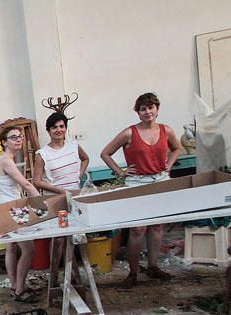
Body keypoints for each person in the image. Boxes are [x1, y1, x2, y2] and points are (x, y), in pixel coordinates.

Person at [100, 92, 182, 288]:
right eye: (143, 109)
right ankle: (133, 272)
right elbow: (105, 153)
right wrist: (120, 172)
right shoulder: (129, 133)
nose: (148, 112)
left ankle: (153, 266)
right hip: (137, 182)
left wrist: (169, 164)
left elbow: (177, 148)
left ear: (157, 109)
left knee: (157, 226)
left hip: (160, 180)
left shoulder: (166, 130)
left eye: (151, 107)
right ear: (138, 112)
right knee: (137, 229)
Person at [33, 112, 90, 285]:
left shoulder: (74, 146)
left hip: (75, 198)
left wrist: (79, 174)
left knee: (73, 237)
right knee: (58, 239)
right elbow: (36, 181)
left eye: (61, 126)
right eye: (54, 127)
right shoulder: (42, 154)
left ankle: (71, 274)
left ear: (65, 128)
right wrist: (59, 190)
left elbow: (85, 159)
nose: (58, 130)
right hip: (57, 202)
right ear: (48, 131)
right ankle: (54, 276)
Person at [0, 125, 41, 303]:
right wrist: (42, 204)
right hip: (13, 210)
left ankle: (14, 285)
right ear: (4, 142)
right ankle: (20, 288)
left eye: (20, 136)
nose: (19, 139)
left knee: (11, 248)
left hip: (4, 209)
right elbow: (26, 185)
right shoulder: (6, 161)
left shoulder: (0, 160)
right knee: (28, 249)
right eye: (13, 137)